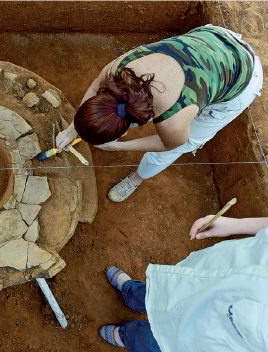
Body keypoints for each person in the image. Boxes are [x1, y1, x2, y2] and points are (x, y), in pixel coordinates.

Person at [56, 24, 263, 202]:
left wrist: (117, 147)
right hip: (209, 39)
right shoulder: (117, 69)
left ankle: (136, 179)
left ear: (125, 132)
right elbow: (94, 88)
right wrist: (73, 128)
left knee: (185, 141)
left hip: (241, 74)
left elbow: (170, 143)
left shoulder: (172, 120)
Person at [99, 213, 268, 351]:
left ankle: (129, 336)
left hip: (229, 341)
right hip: (241, 264)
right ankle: (134, 293)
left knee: (171, 342)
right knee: (174, 289)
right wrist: (237, 225)